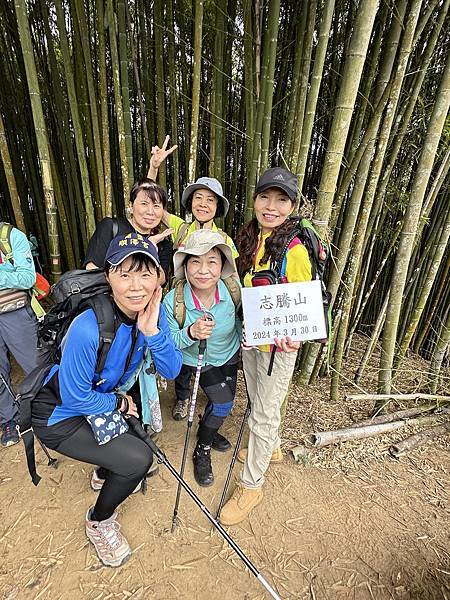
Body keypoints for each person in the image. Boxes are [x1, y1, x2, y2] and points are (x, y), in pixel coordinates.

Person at [31, 233, 182, 567]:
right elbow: (74, 395)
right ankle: (98, 520)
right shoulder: (89, 326)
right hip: (60, 415)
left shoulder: (154, 316)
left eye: (145, 274)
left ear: (159, 278)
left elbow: (171, 370)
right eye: (124, 273)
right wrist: (119, 404)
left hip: (98, 399)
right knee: (139, 460)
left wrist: (153, 332)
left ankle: (104, 472)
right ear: (108, 276)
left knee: (132, 444)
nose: (135, 286)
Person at [219, 167, 312, 526]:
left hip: (278, 348)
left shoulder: (296, 249)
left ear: (291, 206)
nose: (271, 206)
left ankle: (252, 486)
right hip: (252, 339)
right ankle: (269, 449)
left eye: (281, 199)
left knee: (263, 412)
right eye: (264, 197)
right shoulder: (251, 238)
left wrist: (295, 337)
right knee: (258, 401)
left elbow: (301, 307)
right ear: (255, 199)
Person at [163, 230, 241, 487]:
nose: (203, 270)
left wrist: (249, 333)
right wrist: (190, 332)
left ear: (222, 266)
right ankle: (202, 447)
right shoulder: (173, 300)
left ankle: (208, 429)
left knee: (222, 401)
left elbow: (243, 318)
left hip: (228, 354)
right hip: (197, 359)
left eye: (212, 261)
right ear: (185, 267)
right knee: (223, 403)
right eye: (195, 261)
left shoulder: (232, 290)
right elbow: (166, 340)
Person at [148, 136, 238, 257]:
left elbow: (233, 276)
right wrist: (153, 168)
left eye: (210, 200)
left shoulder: (224, 240)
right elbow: (151, 203)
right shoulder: (181, 229)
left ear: (218, 206)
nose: (203, 204)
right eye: (198, 197)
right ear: (191, 201)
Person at [84, 179, 172, 286]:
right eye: (144, 204)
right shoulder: (111, 227)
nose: (150, 211)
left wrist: (151, 247)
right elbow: (92, 271)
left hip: (142, 301)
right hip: (107, 300)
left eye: (156, 206)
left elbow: (160, 281)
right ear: (131, 206)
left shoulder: (163, 243)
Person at [0, 221, 39, 447]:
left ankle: (52, 409)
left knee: (34, 365)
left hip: (15, 312)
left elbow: (27, 278)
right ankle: (9, 420)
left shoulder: (10, 236)